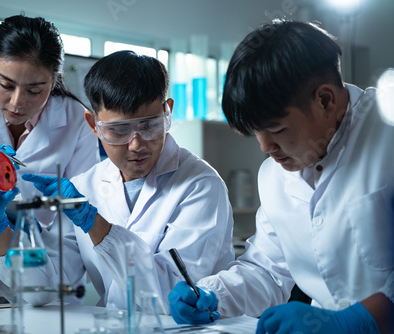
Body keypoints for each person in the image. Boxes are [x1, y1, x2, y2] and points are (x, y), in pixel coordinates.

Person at [0, 50, 235, 311]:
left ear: (167, 112)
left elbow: (173, 298)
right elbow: (41, 287)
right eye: (119, 130)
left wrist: (95, 224)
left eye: (150, 125)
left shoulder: (200, 185)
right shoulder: (86, 186)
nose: (136, 144)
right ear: (93, 125)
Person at [168, 20, 394, 333]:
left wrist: (358, 321)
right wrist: (212, 295)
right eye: (256, 134)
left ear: (324, 100)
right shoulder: (275, 176)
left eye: (276, 130)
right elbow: (268, 269)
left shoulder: (388, 138)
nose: (265, 148)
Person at [0, 15, 99, 298]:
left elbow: (81, 205)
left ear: (54, 81)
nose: (17, 102)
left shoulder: (76, 119)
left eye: (35, 90)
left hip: (51, 260)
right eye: (6, 84)